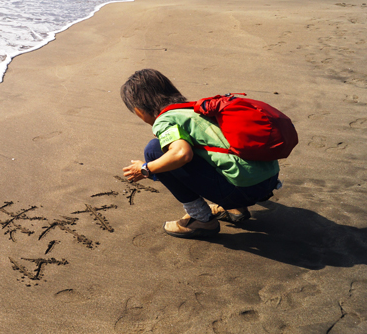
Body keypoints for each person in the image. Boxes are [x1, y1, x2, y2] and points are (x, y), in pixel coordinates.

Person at [120, 69, 280, 238]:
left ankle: (202, 219)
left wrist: (145, 168)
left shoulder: (164, 120)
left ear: (138, 110)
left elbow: (182, 154)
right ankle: (236, 208)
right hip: (269, 181)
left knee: (154, 150)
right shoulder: (197, 108)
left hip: (244, 191)